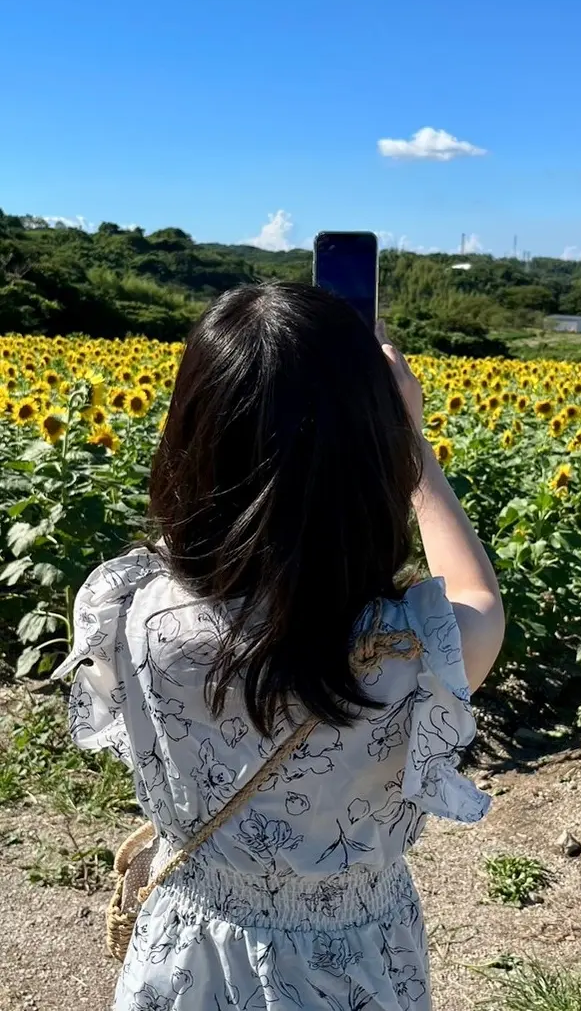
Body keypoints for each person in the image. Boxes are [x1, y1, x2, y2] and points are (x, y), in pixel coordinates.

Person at [54, 283, 505, 1011]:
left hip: (190, 945)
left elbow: (209, 521)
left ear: (186, 436)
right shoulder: (412, 651)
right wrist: (413, 445)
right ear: (375, 457)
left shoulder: (129, 609)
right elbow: (479, 598)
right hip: (351, 963)